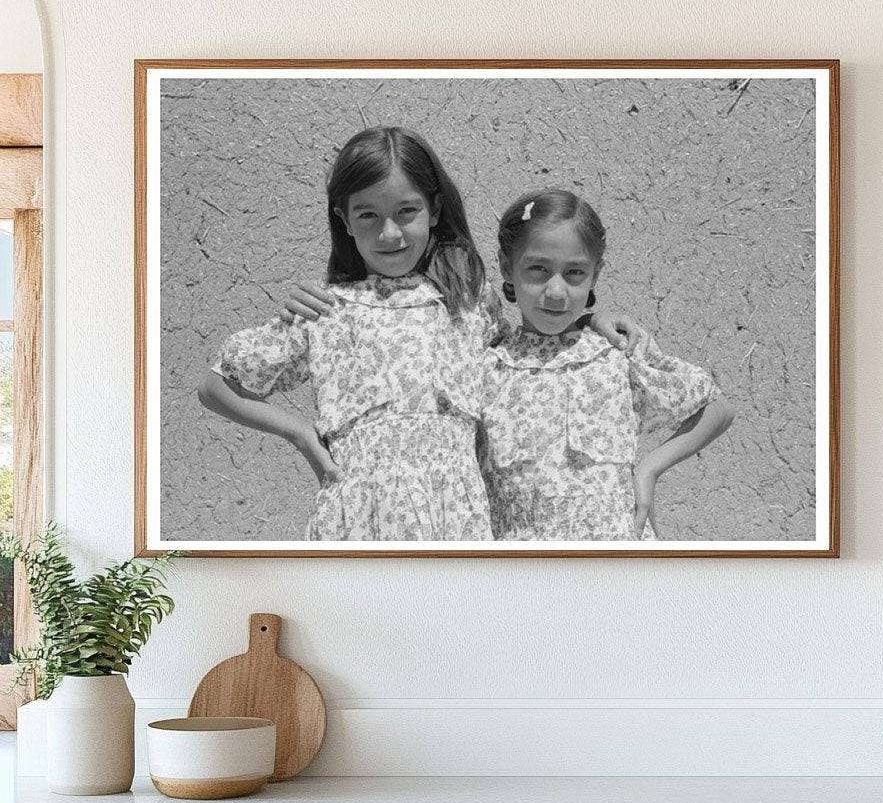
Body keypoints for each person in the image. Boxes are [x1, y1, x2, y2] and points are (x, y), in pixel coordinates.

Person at [198, 127, 641, 541]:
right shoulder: (327, 311)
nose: (389, 232)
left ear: (435, 210)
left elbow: (523, 349)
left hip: (458, 518)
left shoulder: (467, 298)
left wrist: (587, 322)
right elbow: (216, 387)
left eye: (406, 211)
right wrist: (300, 435)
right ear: (344, 220)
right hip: (362, 520)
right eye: (367, 214)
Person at [480, 189, 734, 541]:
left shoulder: (614, 352)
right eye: (538, 269)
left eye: (574, 272)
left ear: (595, 275)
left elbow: (717, 408)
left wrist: (648, 471)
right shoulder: (488, 368)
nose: (556, 291)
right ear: (507, 266)